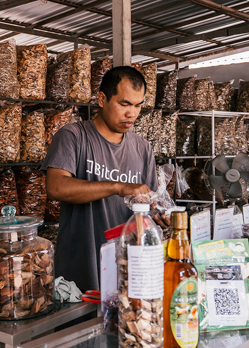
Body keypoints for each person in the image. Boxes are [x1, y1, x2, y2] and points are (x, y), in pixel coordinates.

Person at [42, 66, 162, 291]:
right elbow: (56, 187)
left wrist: (158, 216)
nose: (132, 114)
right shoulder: (73, 137)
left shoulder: (142, 148)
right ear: (102, 99)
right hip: (81, 271)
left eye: (138, 106)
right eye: (124, 104)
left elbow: (148, 207)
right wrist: (117, 187)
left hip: (127, 270)